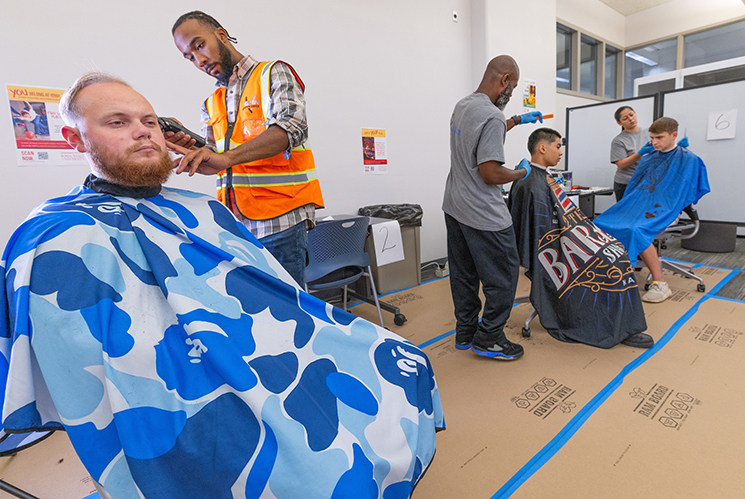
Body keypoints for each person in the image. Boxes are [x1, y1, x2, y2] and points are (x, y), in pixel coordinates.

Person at [0, 73, 443, 499]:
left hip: (258, 349)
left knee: (403, 360)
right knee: (313, 468)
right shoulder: (55, 234)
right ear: (75, 139)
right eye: (118, 122)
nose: (143, 133)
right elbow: (86, 370)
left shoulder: (203, 208)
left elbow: (280, 297)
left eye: (150, 122)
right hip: (175, 388)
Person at [169, 11, 323, 289]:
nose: (199, 60)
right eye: (189, 57)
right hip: (237, 226)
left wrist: (225, 157)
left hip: (281, 219)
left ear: (221, 35)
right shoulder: (211, 102)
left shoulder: (272, 73)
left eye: (199, 45)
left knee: (291, 311)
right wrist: (187, 146)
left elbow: (293, 127)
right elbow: (216, 157)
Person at [509, 128, 652, 349]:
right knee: (610, 261)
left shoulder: (541, 176)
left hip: (564, 237)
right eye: (558, 147)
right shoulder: (531, 182)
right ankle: (614, 327)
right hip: (552, 247)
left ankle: (623, 324)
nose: (560, 153)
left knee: (617, 250)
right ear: (542, 147)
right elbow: (539, 231)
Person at [442, 55, 544, 361]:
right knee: (504, 276)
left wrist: (516, 121)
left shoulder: (464, 105)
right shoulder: (492, 116)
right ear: (505, 80)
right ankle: (489, 338)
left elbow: (480, 134)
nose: (510, 94)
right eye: (511, 88)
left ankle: (465, 332)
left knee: (464, 274)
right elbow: (490, 173)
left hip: (454, 205)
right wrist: (520, 173)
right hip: (483, 213)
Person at [594, 117, 710, 304]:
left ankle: (660, 283)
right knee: (599, 223)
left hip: (666, 209)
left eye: (659, 137)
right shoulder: (648, 158)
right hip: (639, 205)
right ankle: (608, 272)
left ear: (674, 135)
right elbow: (634, 187)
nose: (654, 142)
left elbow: (685, 191)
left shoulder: (688, 159)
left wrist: (672, 202)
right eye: (652, 137)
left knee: (637, 230)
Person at [609, 106, 651, 202]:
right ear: (619, 123)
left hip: (646, 181)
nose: (630, 119)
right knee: (626, 213)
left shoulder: (649, 132)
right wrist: (640, 153)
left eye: (631, 115)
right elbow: (621, 165)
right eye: (625, 118)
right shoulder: (619, 140)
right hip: (626, 182)